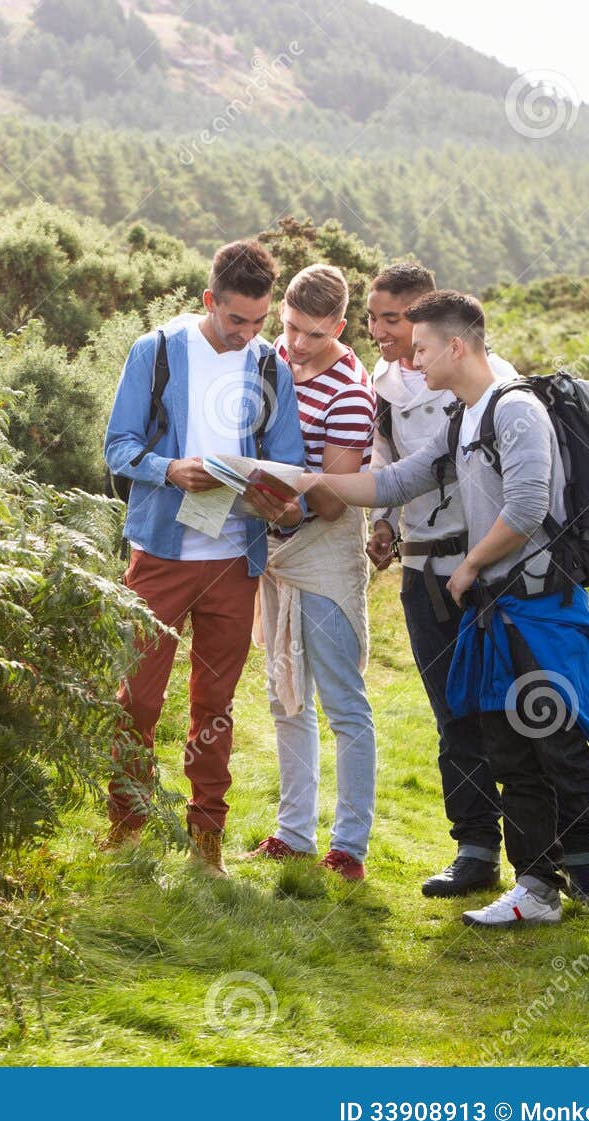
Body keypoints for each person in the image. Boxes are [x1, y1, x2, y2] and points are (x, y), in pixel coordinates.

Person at [292, 290, 589, 942]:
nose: (412, 362)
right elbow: (394, 483)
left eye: (420, 348)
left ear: (457, 346)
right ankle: (536, 885)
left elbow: (527, 506)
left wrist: (469, 565)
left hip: (536, 612)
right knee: (511, 753)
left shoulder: (516, 409)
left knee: (566, 752)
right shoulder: (465, 419)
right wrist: (309, 480)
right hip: (495, 618)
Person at [365, 263, 589, 907]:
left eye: (397, 321)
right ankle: (479, 851)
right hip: (424, 570)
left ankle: (579, 865)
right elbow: (392, 470)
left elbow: (525, 500)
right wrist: (372, 516)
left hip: (502, 581)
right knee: (458, 716)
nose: (384, 334)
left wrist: (474, 565)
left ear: (442, 329)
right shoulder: (384, 388)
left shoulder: (496, 390)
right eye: (375, 319)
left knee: (537, 723)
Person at [102, 240, 308, 877]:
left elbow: (288, 462)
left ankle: (206, 844)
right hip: (161, 553)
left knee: (213, 707)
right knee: (136, 699)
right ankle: (126, 828)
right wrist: (170, 469)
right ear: (208, 301)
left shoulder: (270, 365)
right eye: (236, 321)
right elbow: (118, 447)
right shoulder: (156, 351)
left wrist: (277, 500)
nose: (248, 334)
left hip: (233, 560)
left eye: (258, 322)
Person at [247, 264, 376, 881]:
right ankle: (293, 834)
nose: (296, 345)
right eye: (290, 328)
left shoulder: (351, 391)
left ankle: (348, 846)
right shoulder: (272, 355)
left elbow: (333, 498)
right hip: (273, 545)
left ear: (341, 329)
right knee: (284, 696)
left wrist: (286, 499)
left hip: (322, 550)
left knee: (342, 703)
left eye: (312, 336)